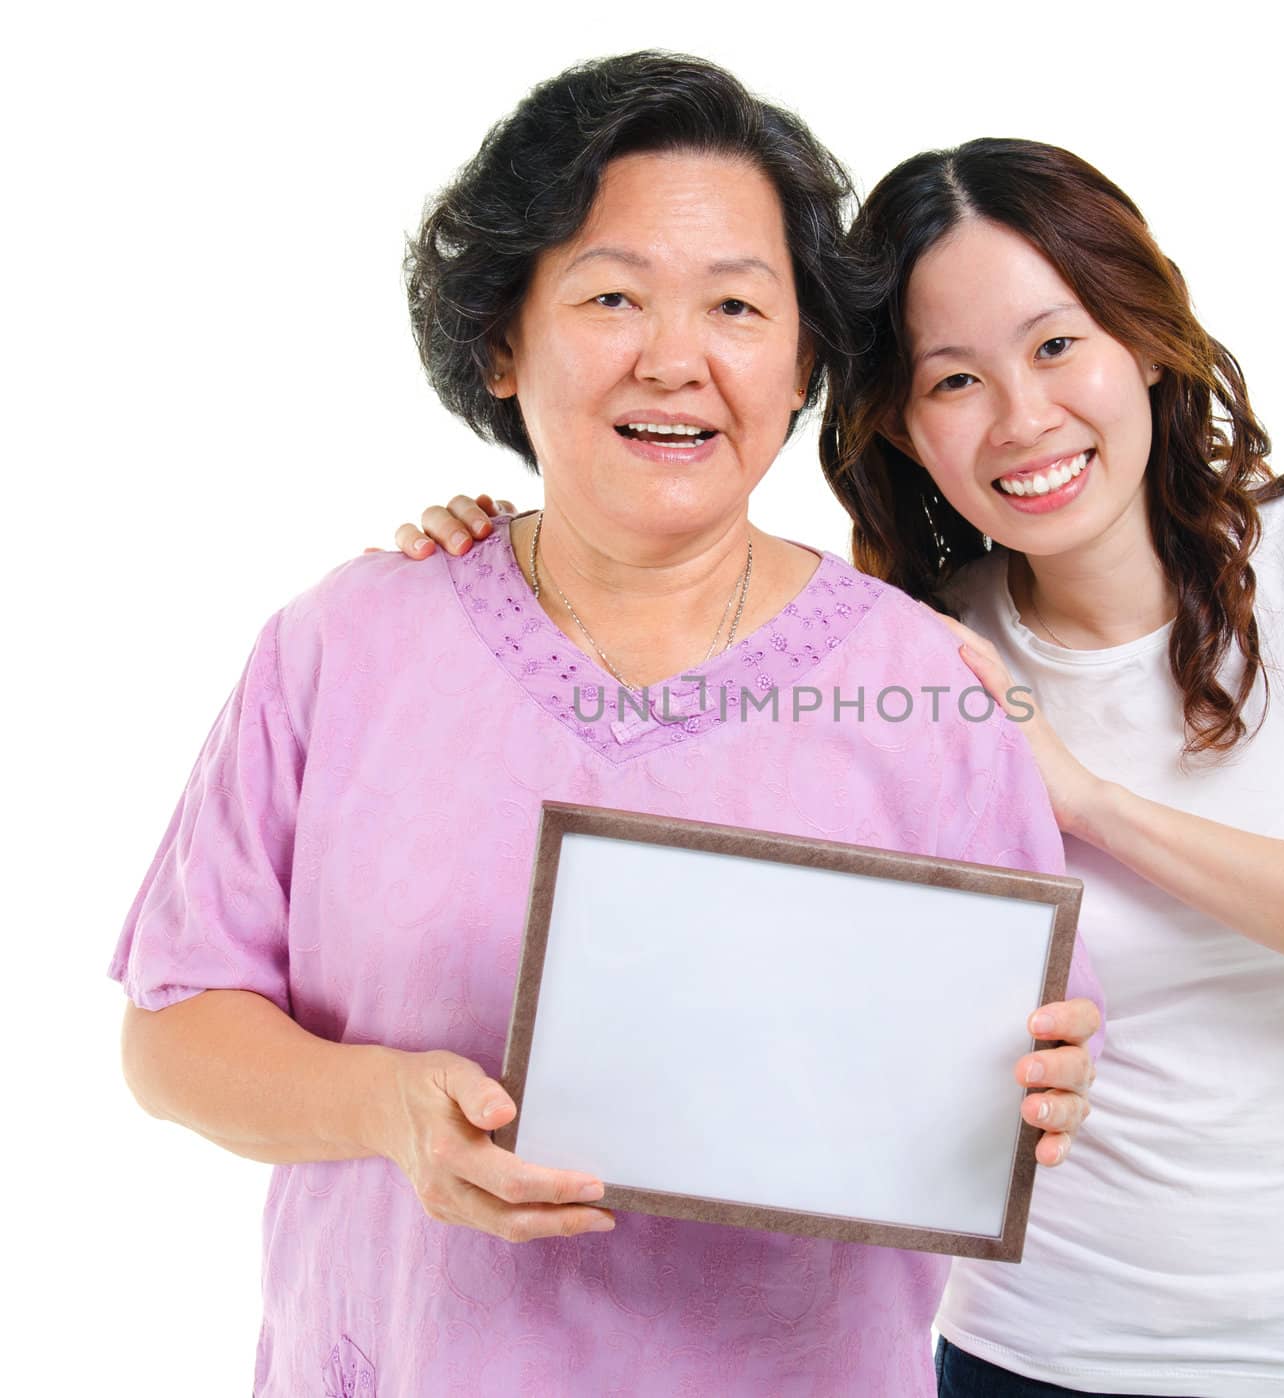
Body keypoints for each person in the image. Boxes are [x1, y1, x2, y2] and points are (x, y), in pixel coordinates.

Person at [406, 138, 1284, 1397]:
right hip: (1019, 1351)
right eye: (953, 381)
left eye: (1054, 345)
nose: (1022, 417)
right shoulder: (925, 649)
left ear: (1141, 339)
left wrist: (1091, 804)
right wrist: (507, 552)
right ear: (903, 425)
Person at [110, 58, 1105, 1397]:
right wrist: (387, 1112)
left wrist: (1034, 1087)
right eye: (612, 295)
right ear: (504, 341)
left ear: (805, 359)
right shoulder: (344, 643)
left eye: (738, 306)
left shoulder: (929, 687)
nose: (673, 358)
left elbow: (1019, 1061)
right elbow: (172, 1033)